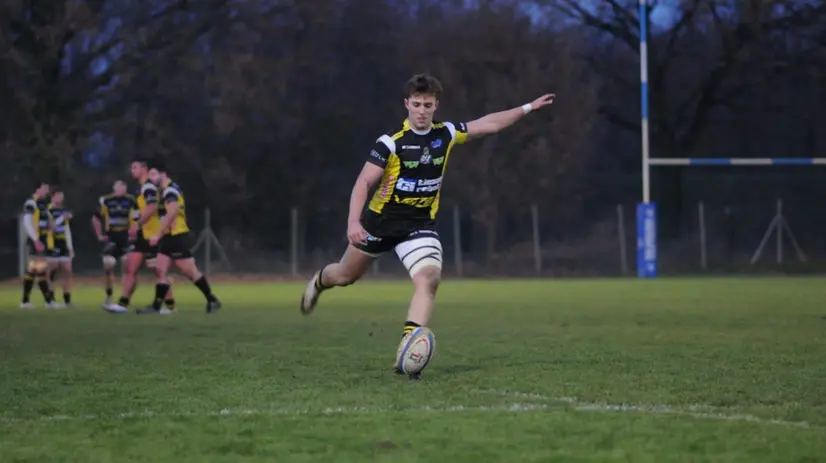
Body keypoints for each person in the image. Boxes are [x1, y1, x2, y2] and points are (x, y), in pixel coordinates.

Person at [299, 73, 555, 378]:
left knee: (429, 277)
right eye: (417, 104)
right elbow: (363, 182)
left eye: (428, 105)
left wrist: (528, 107)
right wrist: (354, 221)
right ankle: (318, 282)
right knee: (344, 276)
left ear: (436, 106)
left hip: (418, 225)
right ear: (407, 104)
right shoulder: (391, 143)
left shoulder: (445, 134)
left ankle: (409, 348)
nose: (422, 110)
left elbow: (489, 124)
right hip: (379, 224)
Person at [136, 161, 221, 314]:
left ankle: (212, 299)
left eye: (154, 174)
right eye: (150, 175)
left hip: (177, 236)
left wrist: (157, 233)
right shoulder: (161, 191)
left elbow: (172, 212)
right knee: (161, 270)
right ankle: (156, 306)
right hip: (168, 237)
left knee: (190, 272)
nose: (151, 178)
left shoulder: (170, 190)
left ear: (163, 175)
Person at [104, 159, 176, 314]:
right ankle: (122, 304)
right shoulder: (141, 188)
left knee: (159, 271)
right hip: (142, 236)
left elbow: (152, 207)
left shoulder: (148, 187)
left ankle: (170, 306)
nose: (132, 170)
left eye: (135, 167)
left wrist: (137, 224)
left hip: (151, 235)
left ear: (144, 168)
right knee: (131, 268)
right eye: (131, 168)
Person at [93, 180, 138, 307]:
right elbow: (96, 218)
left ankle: (124, 297)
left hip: (126, 239)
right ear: (114, 189)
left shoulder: (131, 200)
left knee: (127, 266)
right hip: (111, 237)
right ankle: (109, 295)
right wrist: (99, 235)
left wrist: (134, 231)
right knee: (108, 265)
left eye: (123, 189)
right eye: (119, 188)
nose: (121, 191)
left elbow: (137, 218)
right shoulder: (105, 200)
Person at [20, 182, 58, 309]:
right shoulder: (31, 203)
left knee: (33, 270)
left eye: (47, 189)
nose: (46, 191)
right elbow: (27, 223)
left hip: (42, 240)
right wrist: (36, 240)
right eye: (44, 189)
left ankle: (26, 301)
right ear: (37, 189)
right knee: (40, 270)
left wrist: (50, 226)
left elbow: (45, 221)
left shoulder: (43, 205)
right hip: (36, 241)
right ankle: (48, 301)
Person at [45, 188, 75, 308]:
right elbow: (50, 227)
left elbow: (67, 230)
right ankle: (50, 300)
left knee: (67, 271)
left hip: (63, 243)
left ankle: (67, 301)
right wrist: (63, 218)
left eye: (62, 196)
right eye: (58, 196)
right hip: (52, 243)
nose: (60, 199)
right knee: (52, 271)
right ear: (52, 197)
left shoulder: (63, 210)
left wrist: (70, 246)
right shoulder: (47, 210)